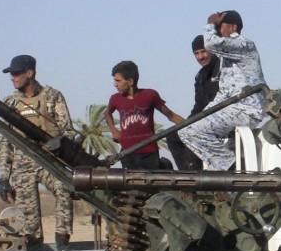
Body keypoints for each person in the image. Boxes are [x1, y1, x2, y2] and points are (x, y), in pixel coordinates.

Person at [0, 54, 76, 251]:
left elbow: (68, 130)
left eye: (16, 73)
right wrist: (4, 178)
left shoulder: (53, 96)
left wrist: (59, 144)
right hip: (23, 165)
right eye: (11, 74)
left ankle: (62, 238)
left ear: (29, 73)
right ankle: (34, 247)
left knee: (63, 189)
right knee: (28, 216)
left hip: (50, 160)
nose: (12, 78)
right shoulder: (11, 103)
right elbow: (6, 142)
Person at [180, 11, 266, 170]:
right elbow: (224, 92)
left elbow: (210, 44)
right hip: (233, 109)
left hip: (247, 110)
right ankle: (223, 170)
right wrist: (204, 114)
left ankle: (231, 168)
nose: (218, 30)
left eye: (220, 26)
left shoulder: (245, 45)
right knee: (186, 130)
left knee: (191, 131)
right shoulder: (227, 59)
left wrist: (210, 23)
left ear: (233, 28)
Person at [105, 60, 184, 170]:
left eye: (118, 80)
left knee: (151, 183)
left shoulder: (150, 95)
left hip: (149, 152)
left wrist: (192, 127)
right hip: (127, 153)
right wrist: (114, 130)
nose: (115, 84)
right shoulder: (115, 99)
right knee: (130, 184)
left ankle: (165, 166)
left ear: (130, 81)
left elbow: (171, 115)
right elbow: (107, 113)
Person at [167, 34, 221, 170]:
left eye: (203, 51)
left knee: (193, 133)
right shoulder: (200, 76)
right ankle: (186, 175)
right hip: (203, 120)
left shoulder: (224, 68)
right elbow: (198, 105)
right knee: (173, 135)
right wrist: (188, 123)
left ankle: (194, 175)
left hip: (223, 119)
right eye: (196, 53)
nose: (200, 57)